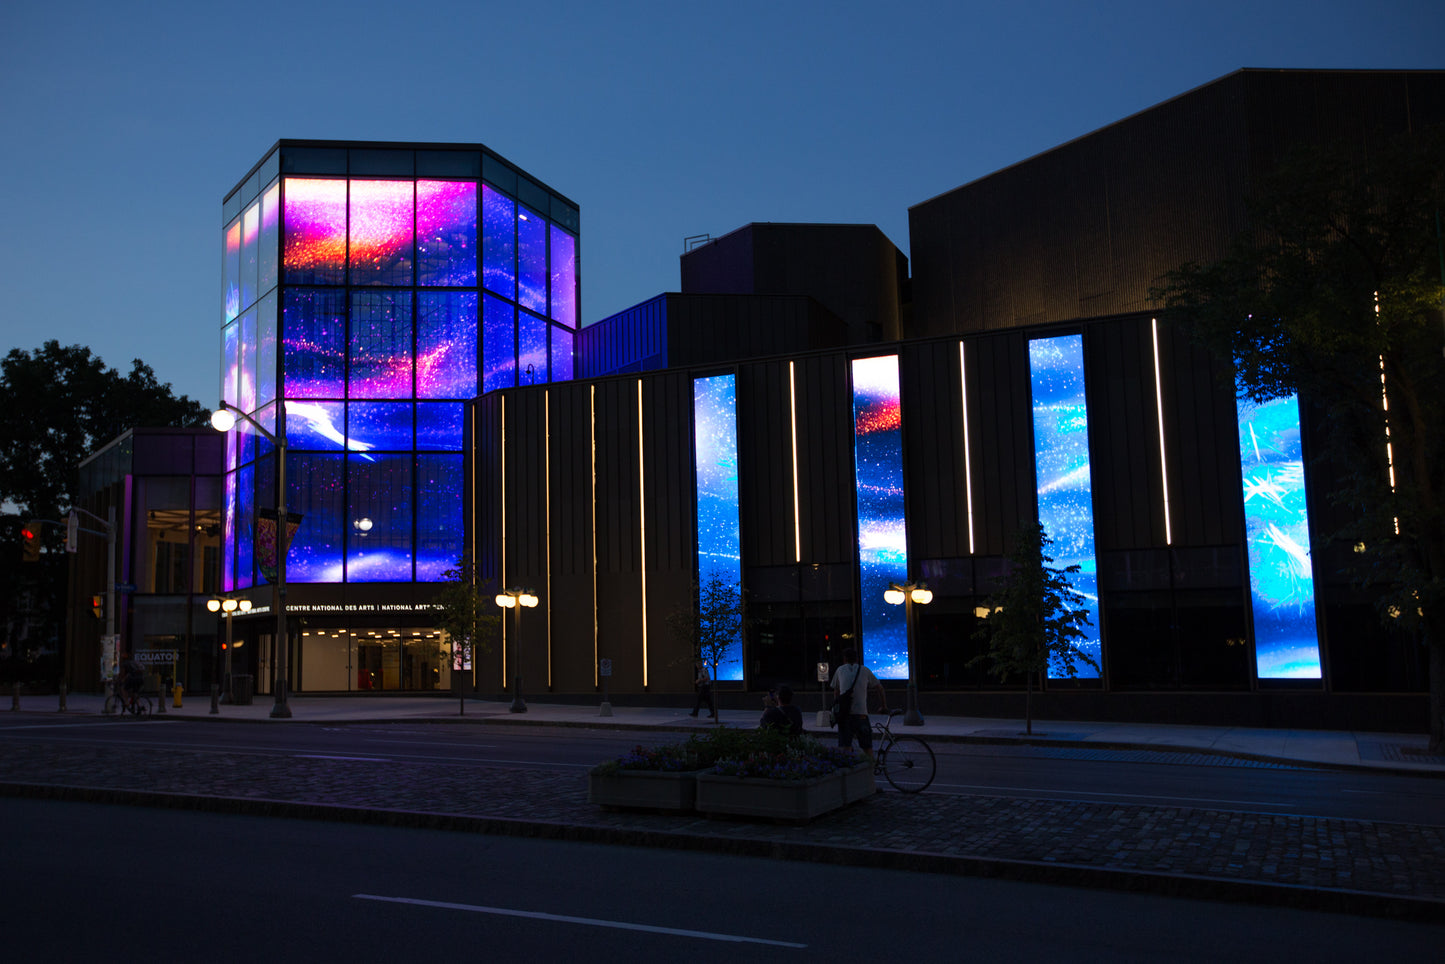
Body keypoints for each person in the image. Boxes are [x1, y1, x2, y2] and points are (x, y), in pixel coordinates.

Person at [831, 649, 886, 753]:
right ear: (857, 659)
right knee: (867, 748)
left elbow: (836, 692)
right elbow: (880, 688)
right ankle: (870, 767)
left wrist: (837, 709)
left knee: (845, 748)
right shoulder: (865, 670)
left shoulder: (839, 670)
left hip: (845, 716)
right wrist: (883, 706)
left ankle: (849, 767)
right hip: (861, 715)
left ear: (844, 659)